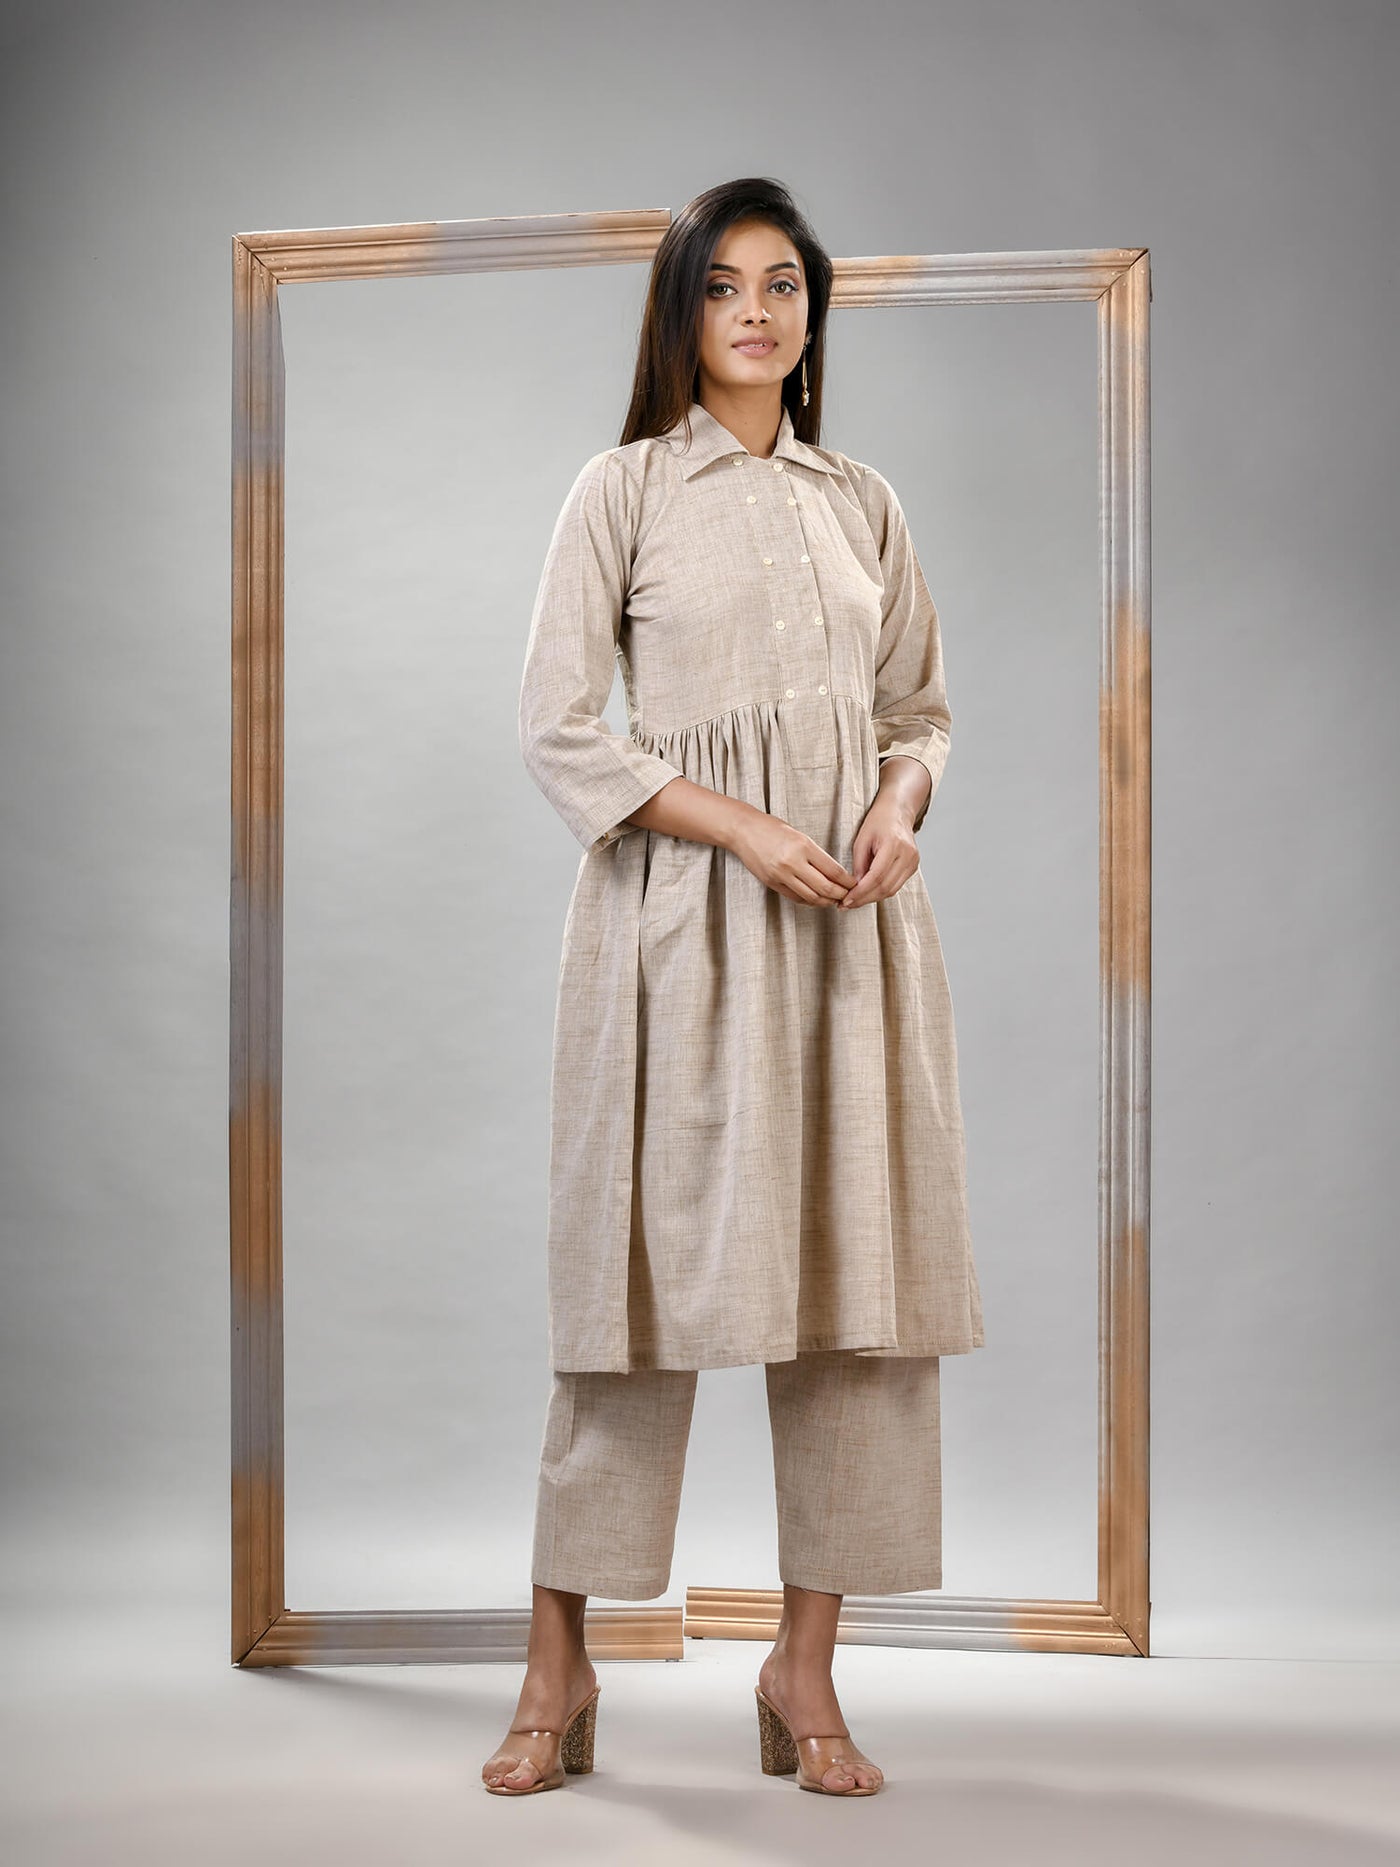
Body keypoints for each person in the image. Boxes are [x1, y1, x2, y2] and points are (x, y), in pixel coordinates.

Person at [483, 177, 985, 1798]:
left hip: (849, 937)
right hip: (675, 936)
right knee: (628, 1299)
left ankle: (804, 1672)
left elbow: (919, 709)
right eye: (723, 285)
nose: (756, 311)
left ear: (812, 313)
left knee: (852, 1295)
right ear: (682, 311)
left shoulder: (862, 500)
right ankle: (557, 1666)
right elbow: (561, 725)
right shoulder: (624, 487)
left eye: (783, 284)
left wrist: (898, 808)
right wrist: (744, 827)